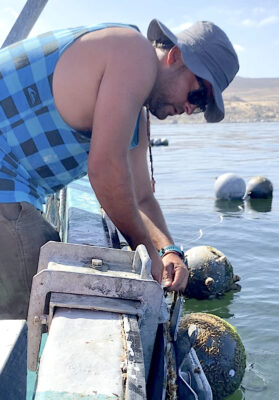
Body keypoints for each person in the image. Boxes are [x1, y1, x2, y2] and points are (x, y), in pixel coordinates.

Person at [0, 19, 239, 319]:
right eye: (198, 95)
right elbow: (105, 170)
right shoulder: (134, 52)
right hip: (6, 181)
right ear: (175, 57)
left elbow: (141, 198)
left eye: (202, 107)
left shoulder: (135, 108)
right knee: (37, 298)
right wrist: (148, 254)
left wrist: (169, 251)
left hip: (14, 186)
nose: (192, 109)